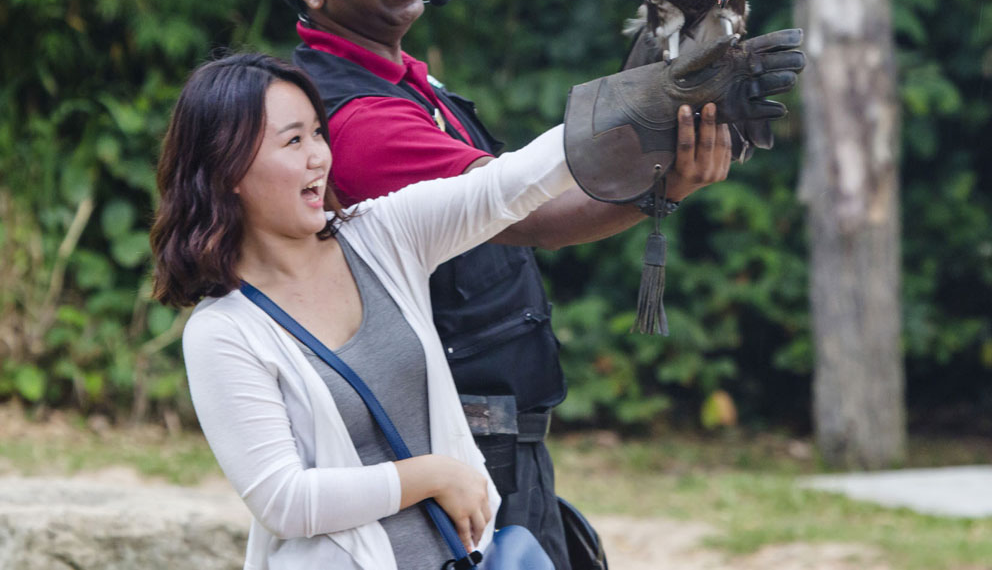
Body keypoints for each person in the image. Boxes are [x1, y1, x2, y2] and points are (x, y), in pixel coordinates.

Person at [254, 0, 736, 568]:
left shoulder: (408, 83)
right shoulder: (357, 120)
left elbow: (530, 202)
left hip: (503, 441)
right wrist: (657, 156)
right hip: (455, 448)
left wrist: (663, 179)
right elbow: (526, 211)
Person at [151, 46, 802, 569]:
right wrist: (432, 474)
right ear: (229, 166)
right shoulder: (223, 331)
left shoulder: (382, 235)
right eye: (293, 141)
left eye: (318, 133)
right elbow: (284, 499)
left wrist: (647, 94)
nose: (320, 155)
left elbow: (509, 185)